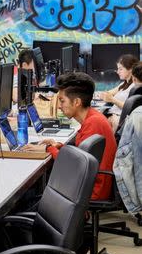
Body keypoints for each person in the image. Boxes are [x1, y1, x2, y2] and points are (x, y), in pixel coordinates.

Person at [22, 72, 117, 200]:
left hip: (89, 192)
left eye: (62, 100)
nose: (59, 106)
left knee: (30, 195)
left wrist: (48, 148)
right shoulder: (93, 117)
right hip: (89, 185)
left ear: (77, 102)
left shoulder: (93, 124)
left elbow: (74, 166)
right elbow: (81, 154)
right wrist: (59, 146)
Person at [99, 54, 139, 131]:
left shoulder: (135, 86)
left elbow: (130, 108)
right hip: (112, 117)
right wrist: (107, 95)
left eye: (120, 69)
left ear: (130, 69)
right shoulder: (124, 84)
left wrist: (112, 100)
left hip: (117, 121)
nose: (117, 72)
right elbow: (108, 93)